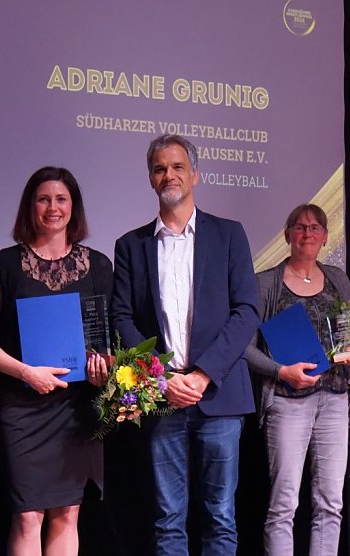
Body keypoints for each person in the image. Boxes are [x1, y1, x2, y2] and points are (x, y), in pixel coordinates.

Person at [111, 133, 260, 555]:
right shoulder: (131, 246)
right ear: (150, 179)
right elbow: (121, 317)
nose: (169, 175)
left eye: (177, 167)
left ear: (195, 174)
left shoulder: (229, 234)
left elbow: (246, 310)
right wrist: (162, 380)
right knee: (167, 520)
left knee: (220, 517)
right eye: (160, 169)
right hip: (163, 400)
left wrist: (202, 373)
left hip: (219, 397)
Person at [0, 166, 112, 555]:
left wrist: (104, 369)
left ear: (73, 207)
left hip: (76, 406)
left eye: (61, 199)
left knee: (68, 512)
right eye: (44, 199)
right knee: (28, 515)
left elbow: (108, 337)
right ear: (30, 207)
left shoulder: (98, 265)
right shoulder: (5, 264)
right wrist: (25, 372)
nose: (53, 208)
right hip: (22, 407)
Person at [246, 203, 350, 555]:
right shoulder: (266, 282)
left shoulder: (337, 278)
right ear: (287, 235)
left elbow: (349, 335)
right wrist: (280, 371)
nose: (308, 233)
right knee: (284, 505)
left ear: (326, 237)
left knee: (331, 503)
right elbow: (245, 348)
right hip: (286, 401)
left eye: (315, 228)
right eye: (300, 227)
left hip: (334, 399)